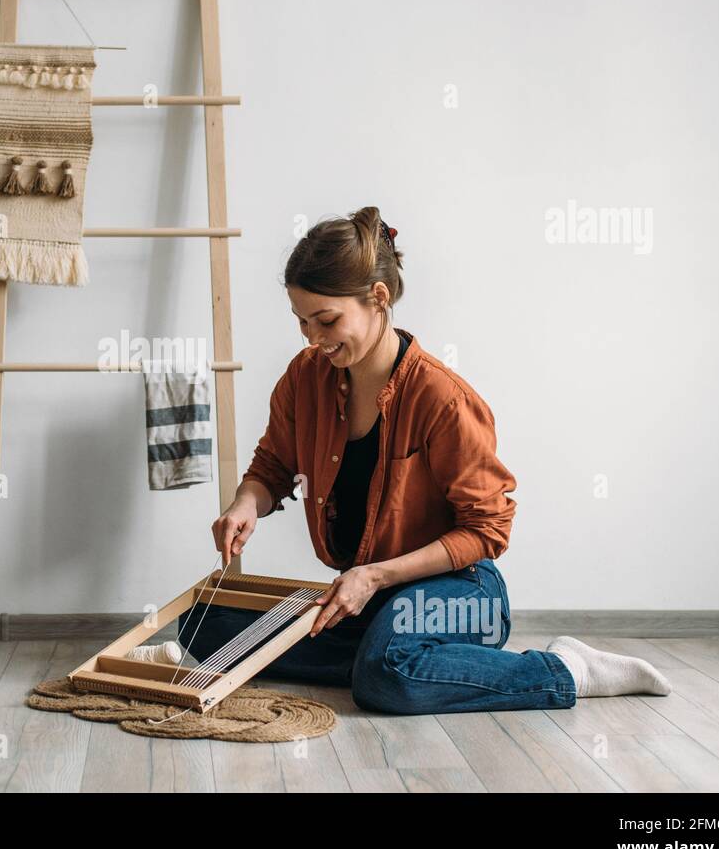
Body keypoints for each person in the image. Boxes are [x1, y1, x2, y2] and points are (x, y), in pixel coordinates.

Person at [179, 206, 672, 713]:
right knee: (205, 625)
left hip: (460, 592)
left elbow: (487, 530)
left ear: (378, 298)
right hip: (373, 597)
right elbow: (272, 468)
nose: (312, 338)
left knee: (384, 678)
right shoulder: (305, 378)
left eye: (326, 320)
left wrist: (376, 576)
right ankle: (412, 657)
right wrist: (244, 504)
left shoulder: (443, 398)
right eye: (302, 321)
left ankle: (565, 667)